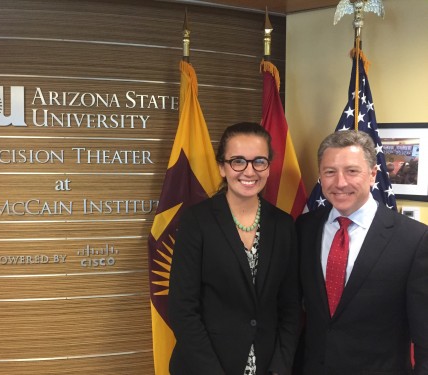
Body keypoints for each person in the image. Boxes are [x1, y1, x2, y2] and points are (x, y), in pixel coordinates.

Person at [168, 122, 301, 375]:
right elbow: (182, 309)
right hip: (205, 366)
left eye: (259, 161)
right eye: (238, 161)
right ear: (222, 167)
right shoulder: (196, 221)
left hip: (267, 365)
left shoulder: (284, 225)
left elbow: (290, 307)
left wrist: (280, 367)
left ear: (268, 167)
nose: (249, 171)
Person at [296, 130, 428, 375]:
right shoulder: (304, 228)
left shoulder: (415, 239)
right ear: (320, 177)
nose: (340, 182)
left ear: (373, 175)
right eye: (330, 172)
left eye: (352, 171)